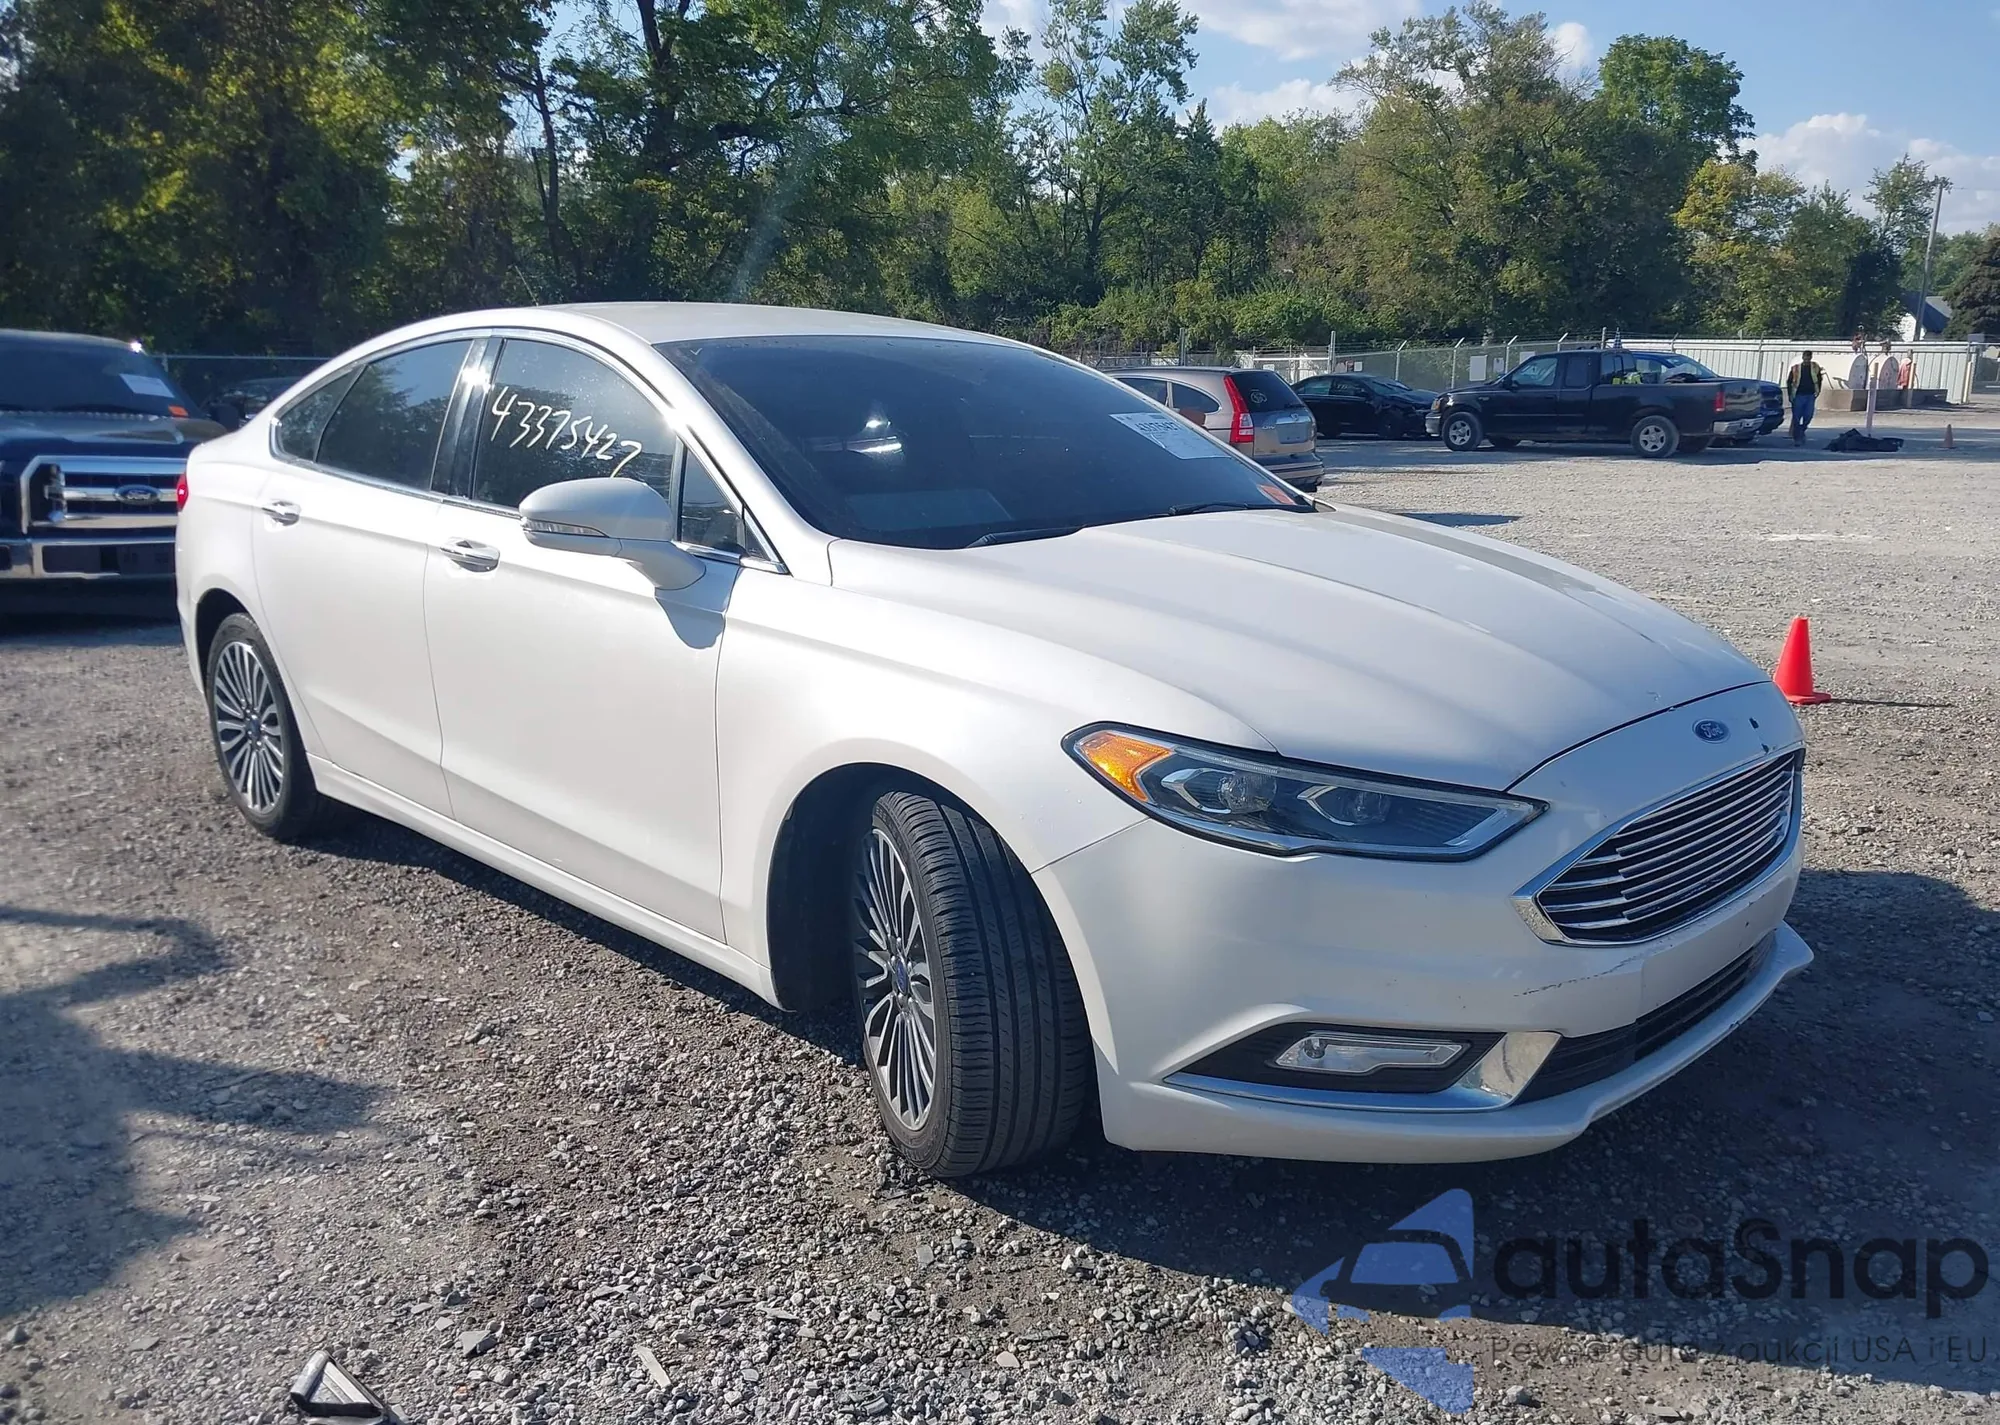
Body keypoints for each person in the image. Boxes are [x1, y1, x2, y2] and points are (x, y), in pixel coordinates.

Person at [1783, 350, 1825, 445]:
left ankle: (1802, 430)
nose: (1806, 359)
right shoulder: (1796, 368)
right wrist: (1790, 394)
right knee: (1797, 417)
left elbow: (1819, 379)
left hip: (1810, 395)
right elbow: (1789, 382)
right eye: (1805, 357)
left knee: (1808, 416)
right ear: (1802, 357)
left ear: (1811, 358)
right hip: (1798, 395)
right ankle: (1797, 438)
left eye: (1808, 358)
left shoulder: (1815, 367)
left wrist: (1818, 390)